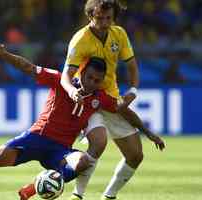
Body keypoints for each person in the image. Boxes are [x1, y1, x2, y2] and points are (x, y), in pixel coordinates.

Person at [0, 37, 138, 200]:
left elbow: (121, 109)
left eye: (97, 80)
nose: (91, 82)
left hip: (60, 150)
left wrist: (147, 129)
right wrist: (4, 54)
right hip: (35, 138)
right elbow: (28, 67)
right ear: (81, 71)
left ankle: (35, 187)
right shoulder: (59, 80)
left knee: (82, 161)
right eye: (89, 77)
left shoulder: (99, 98)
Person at [60, 1, 165, 200]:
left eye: (109, 18)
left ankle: (109, 196)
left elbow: (132, 65)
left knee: (135, 155)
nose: (104, 23)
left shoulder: (119, 34)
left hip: (112, 101)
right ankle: (78, 195)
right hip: (88, 99)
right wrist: (73, 91)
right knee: (98, 144)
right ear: (90, 16)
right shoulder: (80, 39)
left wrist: (133, 90)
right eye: (99, 18)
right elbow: (67, 74)